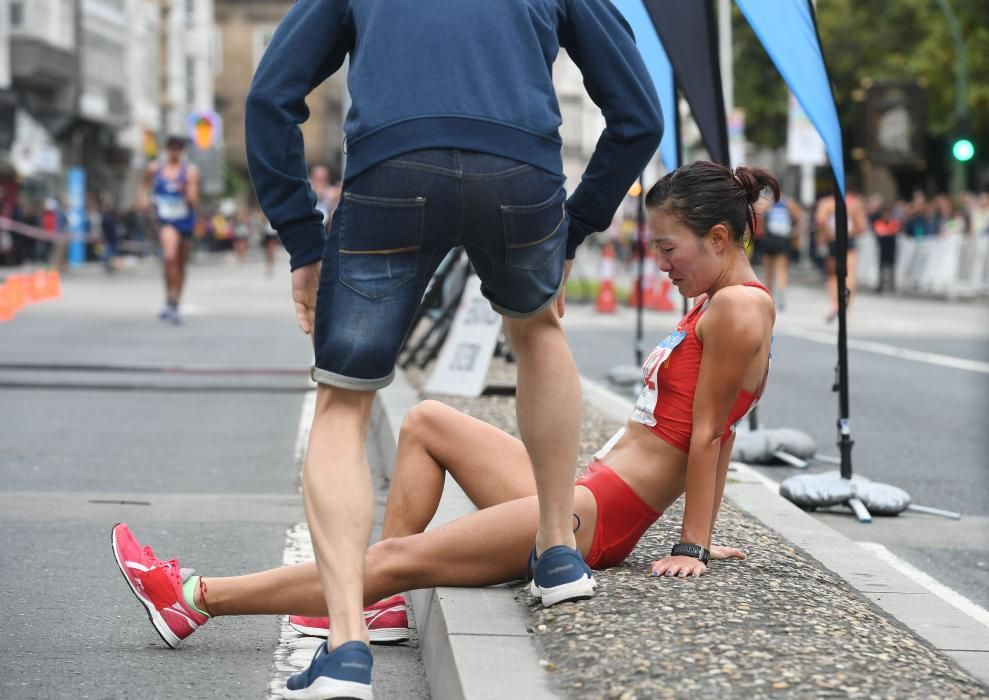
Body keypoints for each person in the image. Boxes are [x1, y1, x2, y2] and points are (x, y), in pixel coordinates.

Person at [111, 161, 776, 676]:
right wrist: (701, 530)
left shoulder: (739, 308)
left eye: (668, 248)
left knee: (398, 555)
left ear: (718, 238)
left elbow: (713, 432)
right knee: (427, 419)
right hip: (585, 492)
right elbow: (713, 427)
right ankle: (384, 602)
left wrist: (691, 546)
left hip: (593, 522)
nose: (658, 263)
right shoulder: (713, 301)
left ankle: (195, 597)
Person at [244, 2, 662, 696]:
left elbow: (269, 97)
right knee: (536, 330)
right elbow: (638, 114)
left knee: (344, 404)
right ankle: (557, 552)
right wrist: (575, 224)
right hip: (520, 174)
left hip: (391, 171)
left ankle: (348, 646)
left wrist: (301, 236)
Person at [141, 135, 200, 325]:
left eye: (178, 148)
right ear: (166, 149)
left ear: (181, 151)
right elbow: (143, 186)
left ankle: (176, 301)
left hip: (184, 219)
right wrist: (143, 201)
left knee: (181, 264)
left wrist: (185, 192)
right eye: (171, 147)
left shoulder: (189, 172)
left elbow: (193, 199)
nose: (174, 151)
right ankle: (169, 298)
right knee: (169, 256)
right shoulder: (155, 169)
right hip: (166, 221)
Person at [814, 185, 868, 321]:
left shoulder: (826, 203)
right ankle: (844, 306)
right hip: (847, 240)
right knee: (849, 275)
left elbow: (820, 220)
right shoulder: (854, 204)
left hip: (832, 240)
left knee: (833, 275)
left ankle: (835, 304)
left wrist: (826, 234)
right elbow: (862, 227)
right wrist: (849, 232)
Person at [757, 191, 803, 310]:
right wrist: (793, 232)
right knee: (781, 269)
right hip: (782, 238)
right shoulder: (788, 202)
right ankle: (780, 295)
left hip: (769, 238)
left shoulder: (767, 202)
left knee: (768, 269)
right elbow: (800, 218)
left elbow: (758, 217)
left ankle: (769, 295)